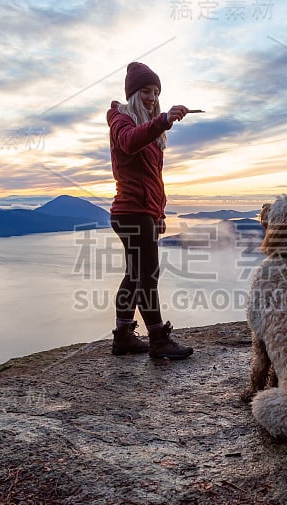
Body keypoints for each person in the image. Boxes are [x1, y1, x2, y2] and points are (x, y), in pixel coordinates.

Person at [106, 61, 194, 360]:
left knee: (134, 275)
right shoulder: (120, 119)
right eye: (146, 91)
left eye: (156, 92)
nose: (152, 97)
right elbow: (130, 143)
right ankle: (158, 339)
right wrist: (164, 120)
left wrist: (159, 215)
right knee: (148, 275)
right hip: (131, 211)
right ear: (133, 93)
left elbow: (153, 179)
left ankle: (123, 338)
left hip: (142, 211)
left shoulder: (148, 128)